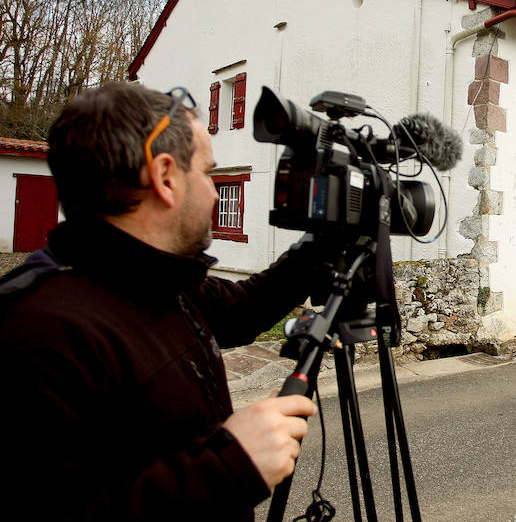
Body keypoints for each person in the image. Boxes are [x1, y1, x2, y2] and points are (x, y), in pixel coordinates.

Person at [0, 82, 329, 521]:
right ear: (166, 176)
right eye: (208, 172)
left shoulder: (154, 278)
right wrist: (231, 466)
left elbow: (245, 308)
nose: (215, 193)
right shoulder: (38, 332)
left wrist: (322, 244)